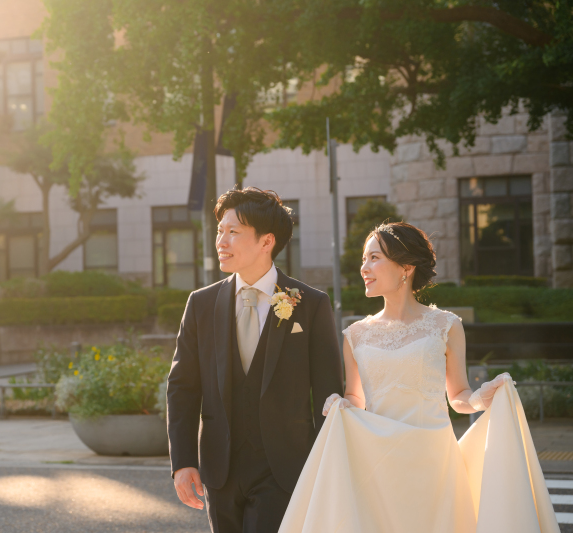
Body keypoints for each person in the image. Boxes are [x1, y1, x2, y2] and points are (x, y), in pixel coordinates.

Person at [278, 221, 560, 533]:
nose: (364, 268)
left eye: (374, 258)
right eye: (363, 259)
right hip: (379, 465)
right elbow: (356, 396)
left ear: (406, 267)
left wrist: (482, 397)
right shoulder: (355, 335)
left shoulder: (446, 326)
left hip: (434, 464)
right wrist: (341, 403)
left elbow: (458, 397)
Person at [166, 187, 344, 533]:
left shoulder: (310, 304)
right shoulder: (200, 304)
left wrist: (327, 467)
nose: (222, 241)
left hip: (284, 468)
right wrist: (183, 462)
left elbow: (328, 394)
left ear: (267, 242)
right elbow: (182, 387)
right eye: (220, 231)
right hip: (220, 468)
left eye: (234, 232)